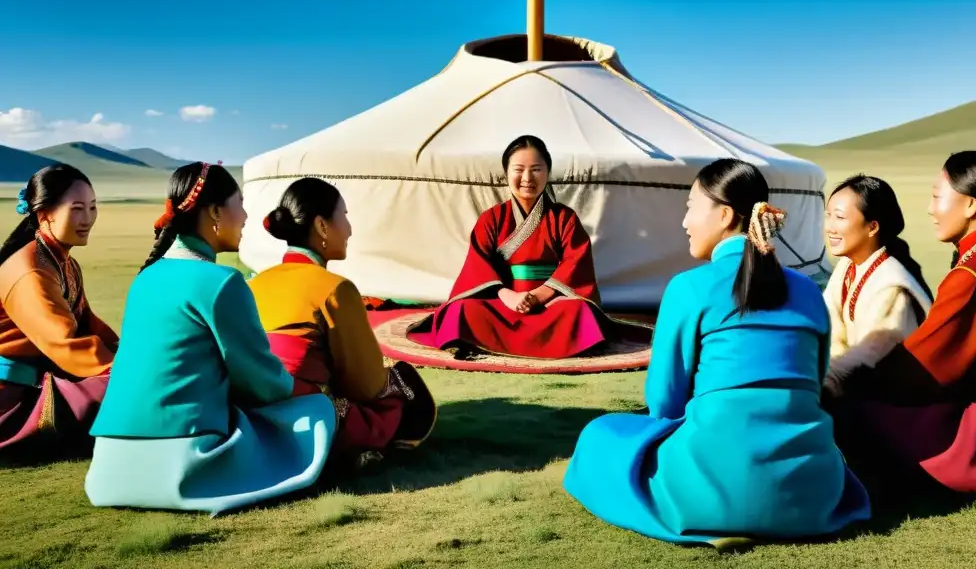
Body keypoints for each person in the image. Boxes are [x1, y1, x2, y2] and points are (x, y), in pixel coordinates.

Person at [563, 158, 871, 547]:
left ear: (724, 214)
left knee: (601, 434)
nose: (685, 221)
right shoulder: (809, 291)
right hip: (809, 492)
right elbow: (813, 380)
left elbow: (663, 401)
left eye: (691, 206)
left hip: (710, 484)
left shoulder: (688, 288)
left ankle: (713, 518)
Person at [84, 162, 336, 515]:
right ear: (216, 211)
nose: (247, 215)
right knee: (315, 410)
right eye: (241, 202)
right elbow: (261, 381)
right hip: (187, 462)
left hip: (110, 466)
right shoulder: (222, 283)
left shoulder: (145, 279)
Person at [827, 151, 976, 506]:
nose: (930, 209)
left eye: (937, 196)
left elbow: (926, 364)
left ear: (969, 205)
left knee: (858, 413)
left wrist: (846, 384)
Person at [249, 177, 436, 469]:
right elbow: (366, 385)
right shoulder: (335, 289)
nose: (349, 229)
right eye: (344, 217)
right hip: (306, 419)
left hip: (252, 415)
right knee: (402, 383)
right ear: (323, 226)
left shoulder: (254, 284)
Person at [406, 135, 650, 360]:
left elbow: (576, 263)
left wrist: (538, 296)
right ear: (506, 173)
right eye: (519, 170)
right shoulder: (492, 219)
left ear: (547, 173)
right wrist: (510, 297)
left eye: (536, 170)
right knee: (461, 309)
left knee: (579, 312)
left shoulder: (564, 218)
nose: (527, 178)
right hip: (504, 302)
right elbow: (477, 267)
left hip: (551, 301)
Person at [0, 165, 118, 460]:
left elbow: (88, 325)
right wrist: (127, 373)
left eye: (92, 207)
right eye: (77, 208)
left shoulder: (63, 262)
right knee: (122, 393)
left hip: (40, 377)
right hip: (10, 395)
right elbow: (65, 343)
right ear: (44, 214)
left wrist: (128, 354)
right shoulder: (29, 270)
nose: (88, 218)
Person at [822, 174, 933, 395]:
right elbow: (823, 324)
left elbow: (867, 355)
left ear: (872, 227)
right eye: (828, 216)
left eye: (840, 217)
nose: (830, 228)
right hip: (848, 386)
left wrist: (817, 382)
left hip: (890, 403)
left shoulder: (892, 286)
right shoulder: (847, 266)